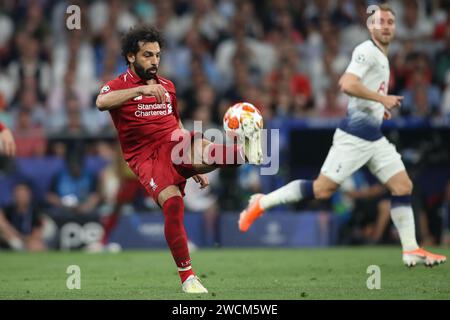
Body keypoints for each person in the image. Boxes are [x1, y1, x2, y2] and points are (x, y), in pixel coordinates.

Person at [239, 4, 447, 267]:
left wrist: (376, 107)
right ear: (371, 27)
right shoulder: (365, 51)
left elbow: (362, 90)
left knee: (403, 185)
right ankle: (261, 202)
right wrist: (382, 98)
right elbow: (346, 84)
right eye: (381, 21)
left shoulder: (382, 56)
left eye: (391, 22)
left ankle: (410, 249)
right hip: (354, 137)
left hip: (374, 136)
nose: (386, 26)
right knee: (322, 189)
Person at [95, 25, 262, 293]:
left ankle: (246, 152)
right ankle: (188, 278)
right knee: (172, 204)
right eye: (148, 55)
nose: (154, 61)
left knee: (206, 147)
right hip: (145, 157)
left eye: (157, 55)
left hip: (173, 141)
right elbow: (101, 102)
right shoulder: (118, 86)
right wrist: (141, 92)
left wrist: (195, 166)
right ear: (130, 57)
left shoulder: (167, 86)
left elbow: (177, 123)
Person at [0, 182, 46, 251]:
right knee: (13, 241)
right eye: (19, 194)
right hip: (12, 238)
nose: (21, 196)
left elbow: (38, 231)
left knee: (37, 246)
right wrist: (16, 236)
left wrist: (26, 240)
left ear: (29, 195)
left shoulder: (35, 211)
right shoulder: (8, 210)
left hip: (29, 239)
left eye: (24, 194)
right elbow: (3, 225)